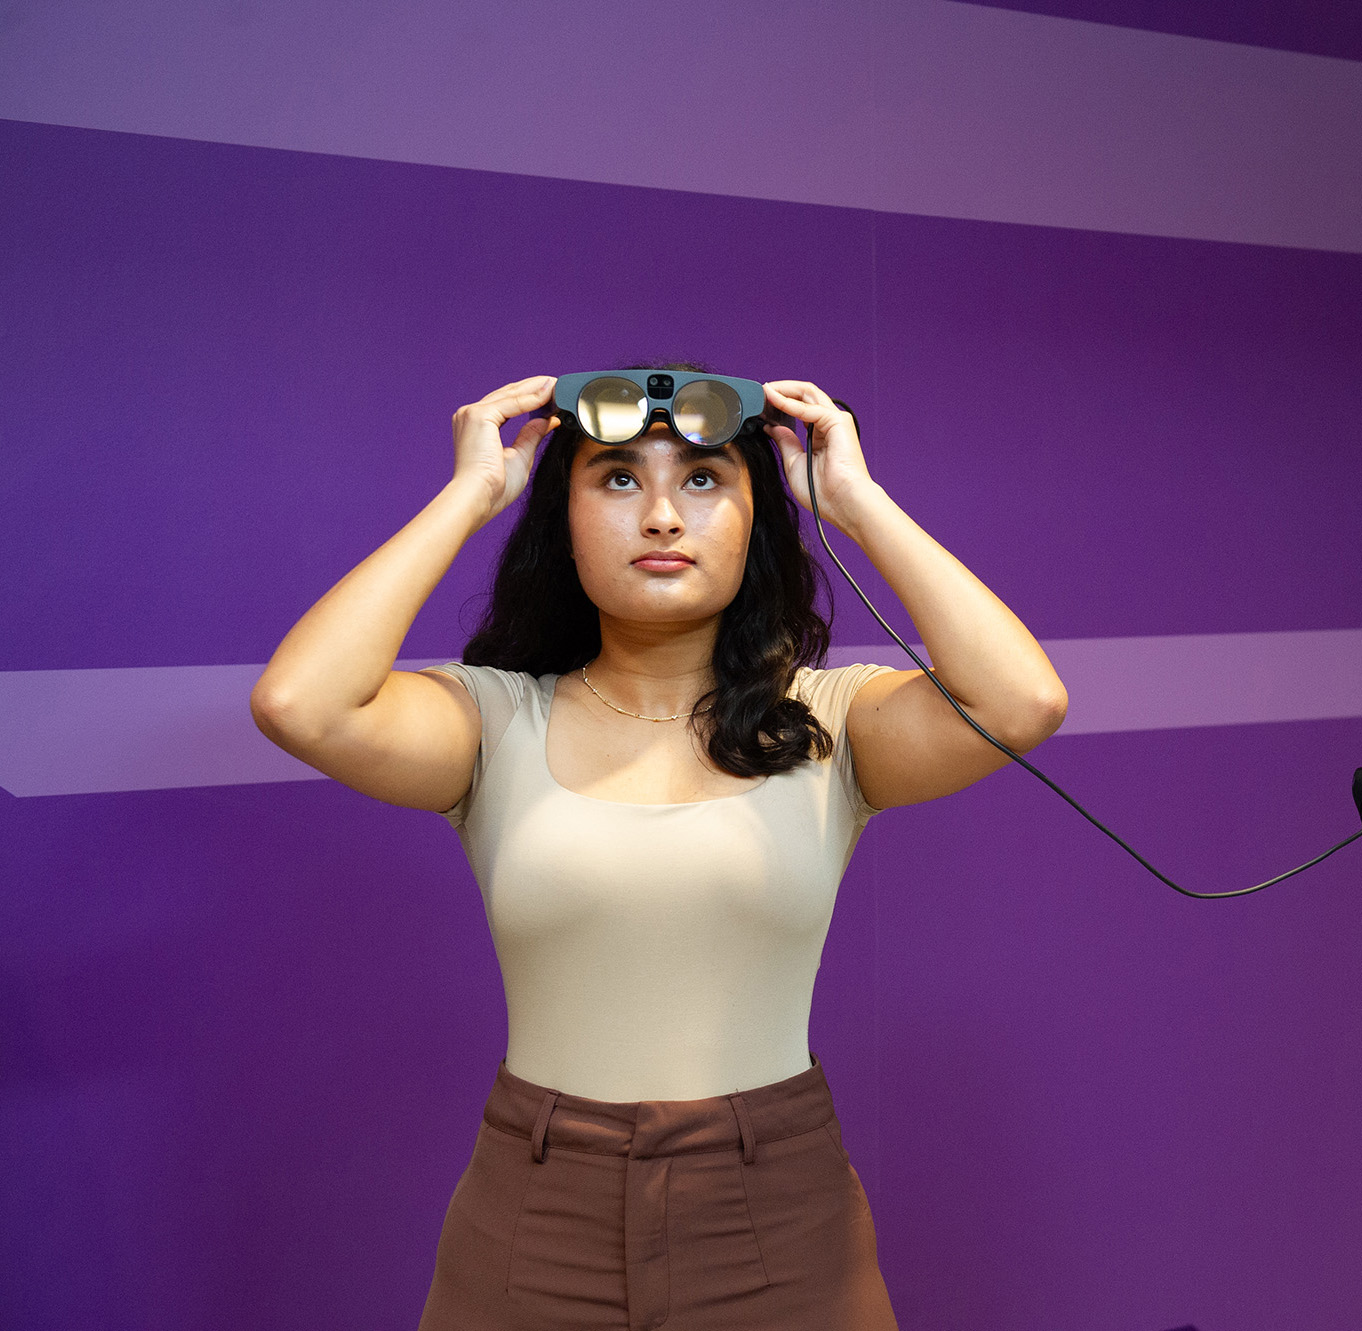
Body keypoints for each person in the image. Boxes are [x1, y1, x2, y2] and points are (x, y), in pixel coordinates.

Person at [251, 368, 1067, 1329]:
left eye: (706, 479)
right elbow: (300, 703)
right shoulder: (494, 718)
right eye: (619, 479)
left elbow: (1024, 702)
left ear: (758, 520)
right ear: (563, 517)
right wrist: (470, 495)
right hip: (537, 1204)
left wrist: (855, 501)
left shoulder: (830, 721)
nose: (664, 517)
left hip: (776, 1208)